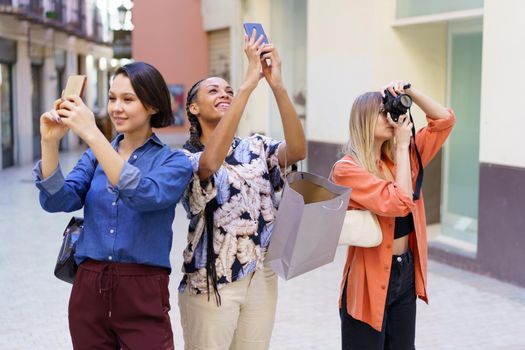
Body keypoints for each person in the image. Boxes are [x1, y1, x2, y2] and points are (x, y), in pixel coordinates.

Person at [33, 62, 192, 349]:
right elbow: (57, 200)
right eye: (112, 98)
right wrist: (49, 144)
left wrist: (93, 135)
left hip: (143, 288)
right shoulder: (94, 158)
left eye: (128, 99)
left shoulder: (174, 161)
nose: (116, 107)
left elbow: (144, 195)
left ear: (153, 105)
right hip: (89, 287)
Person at [178, 31, 307, 350]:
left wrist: (277, 86)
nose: (224, 94)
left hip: (261, 274)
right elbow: (209, 166)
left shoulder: (257, 146)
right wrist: (248, 84)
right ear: (193, 108)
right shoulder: (182, 159)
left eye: (229, 90)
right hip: (212, 281)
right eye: (213, 90)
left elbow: (297, 150)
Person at [332, 81, 455, 350]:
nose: (389, 116)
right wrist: (401, 147)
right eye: (381, 111)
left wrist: (409, 93)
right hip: (368, 278)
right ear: (363, 119)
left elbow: (444, 121)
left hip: (405, 271)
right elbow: (400, 203)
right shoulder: (348, 168)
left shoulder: (404, 157)